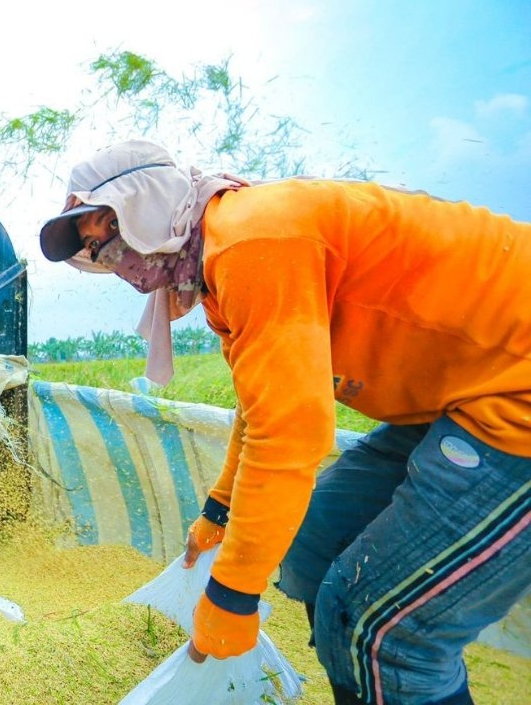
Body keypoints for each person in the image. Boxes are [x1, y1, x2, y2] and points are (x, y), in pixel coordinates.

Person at [38, 140, 530, 705]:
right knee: (310, 548)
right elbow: (261, 405)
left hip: (514, 394)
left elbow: (290, 435)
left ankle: (391, 666)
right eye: (95, 254)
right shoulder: (218, 265)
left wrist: (232, 595)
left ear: (146, 201)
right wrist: (219, 509)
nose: (111, 261)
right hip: (458, 397)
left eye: (107, 234)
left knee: (383, 632)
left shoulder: (254, 239)